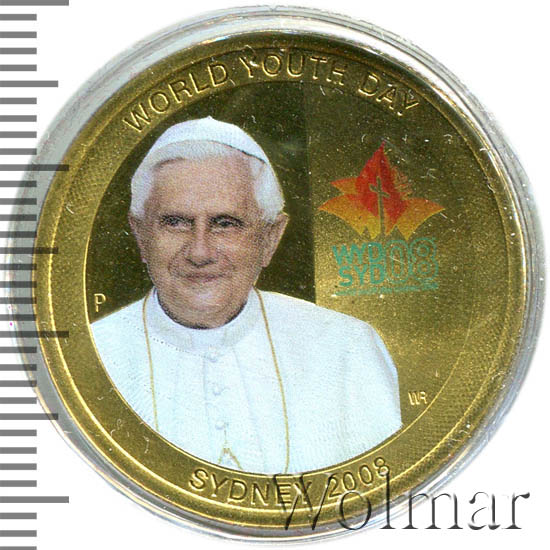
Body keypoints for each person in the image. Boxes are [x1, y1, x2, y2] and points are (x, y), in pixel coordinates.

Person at [92, 117, 401, 474]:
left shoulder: (346, 349)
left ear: (270, 238)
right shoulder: (93, 355)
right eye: (175, 222)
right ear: (140, 235)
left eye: (225, 224)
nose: (200, 252)